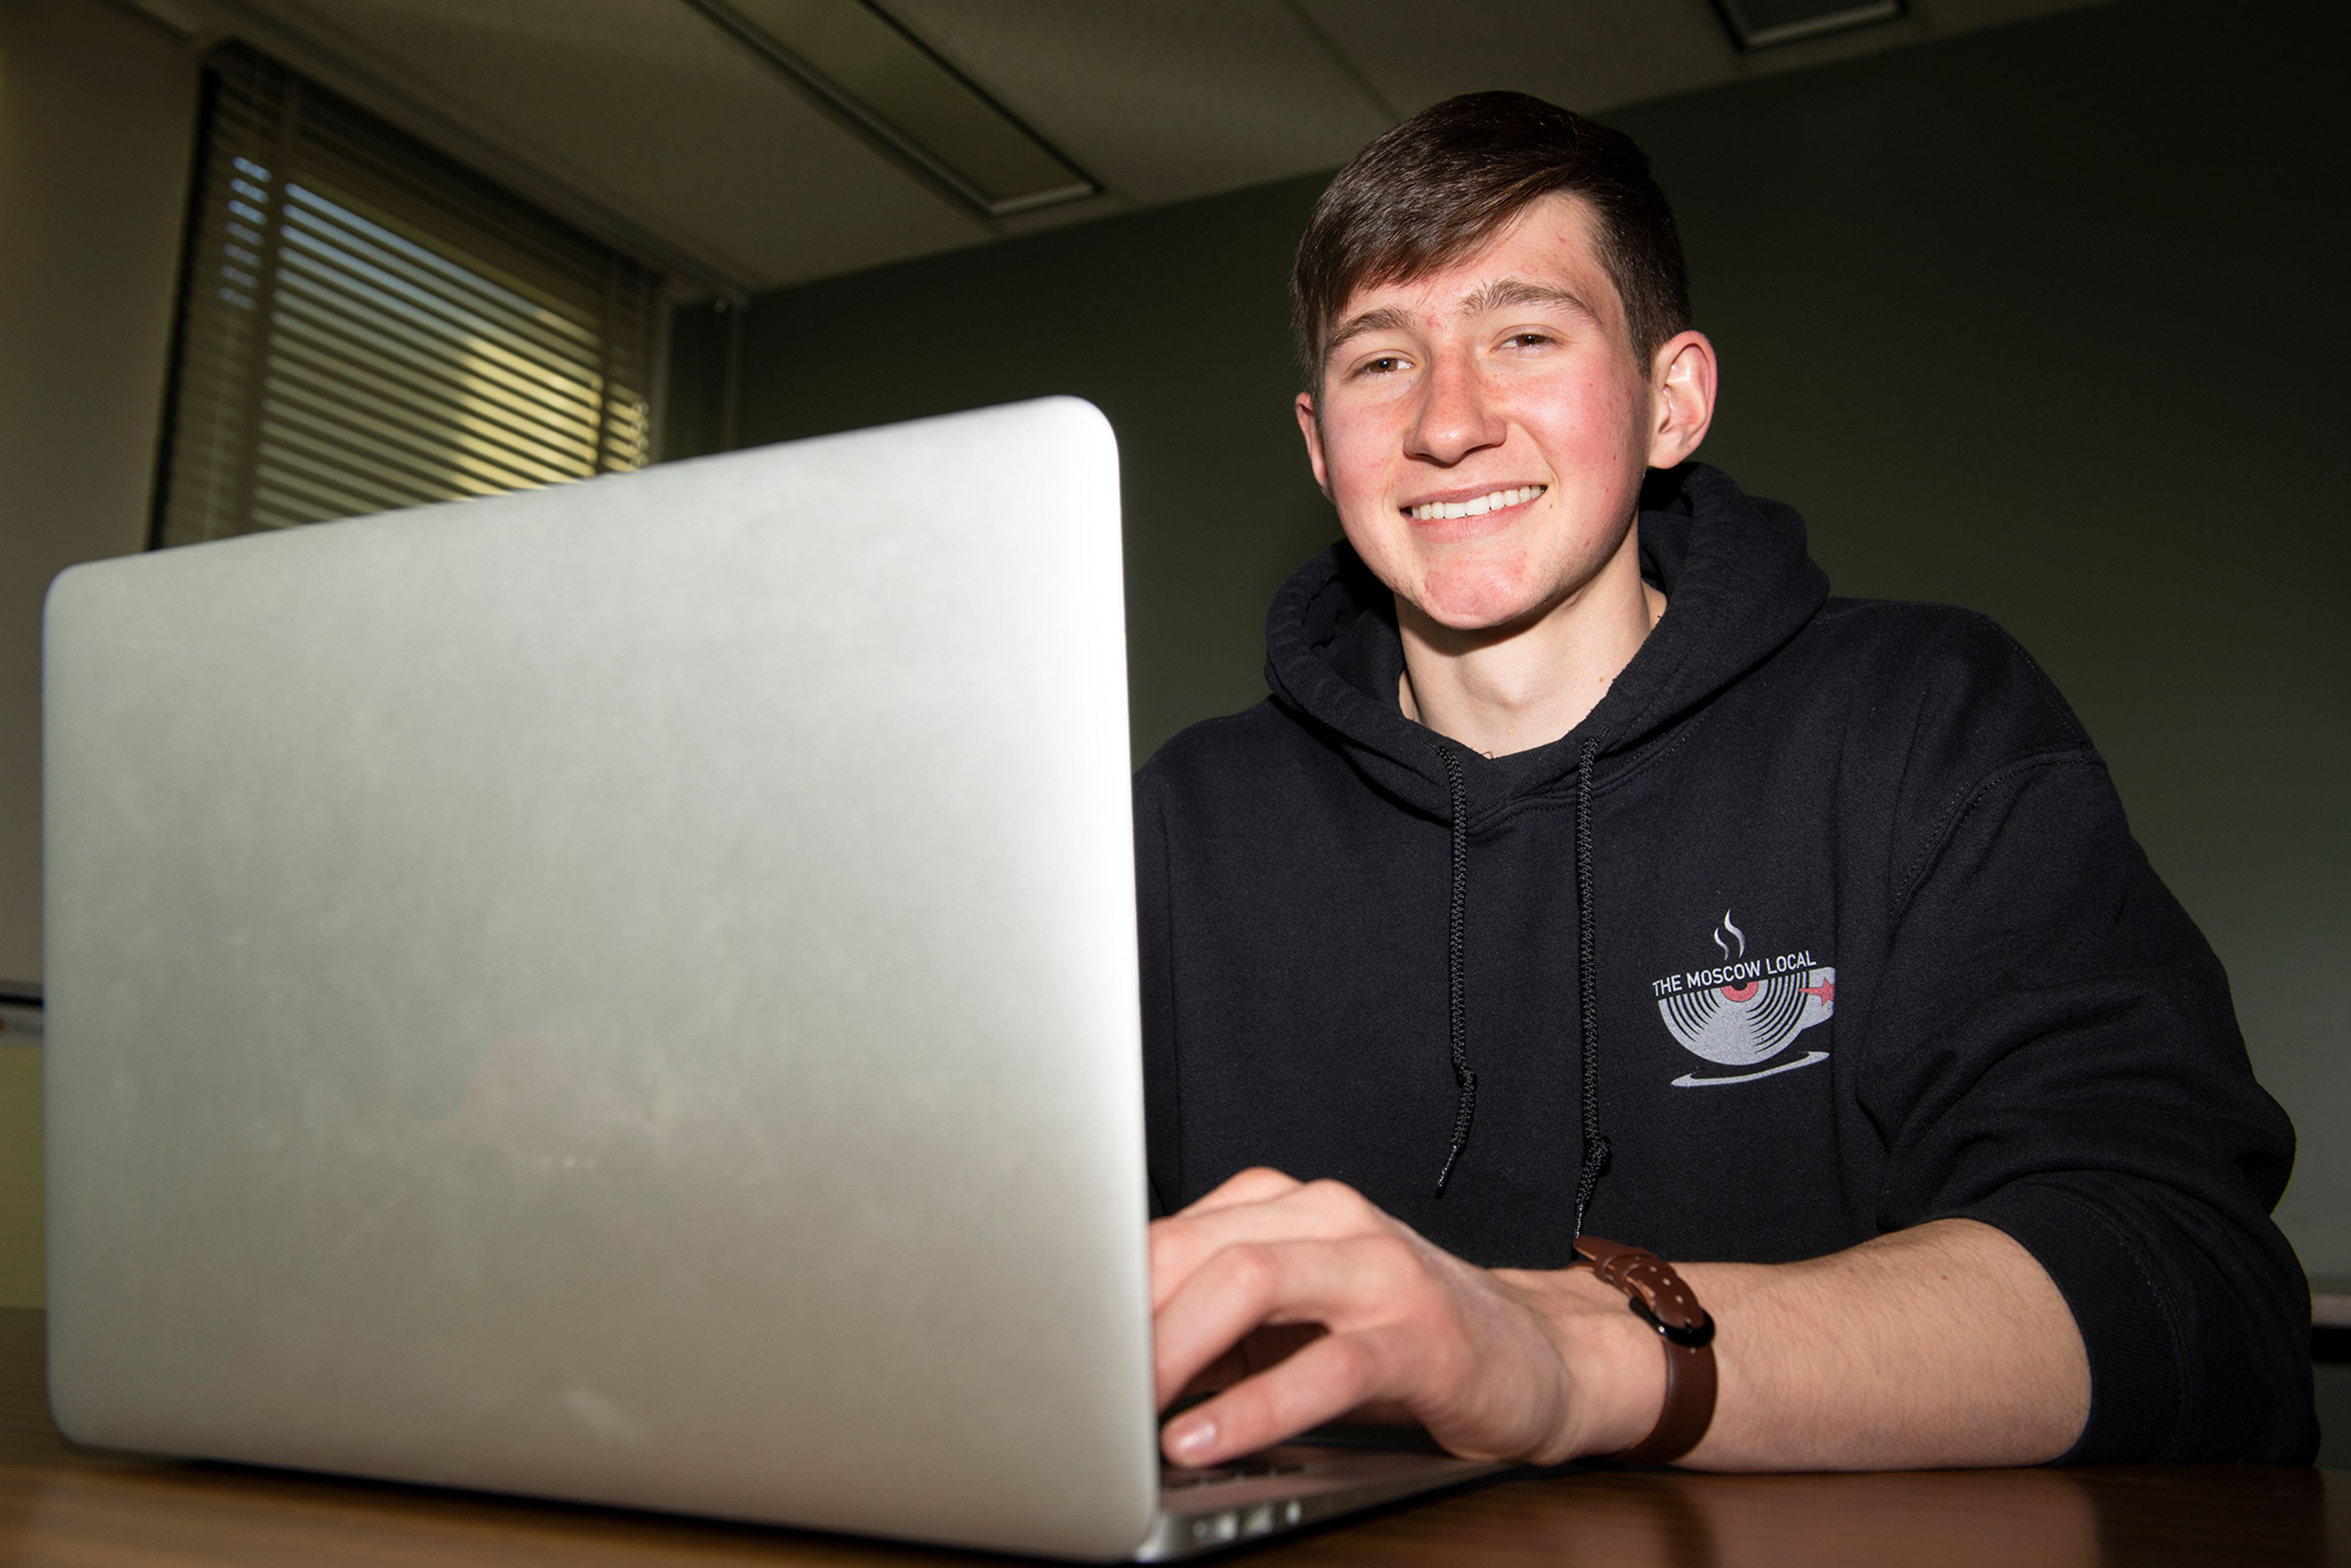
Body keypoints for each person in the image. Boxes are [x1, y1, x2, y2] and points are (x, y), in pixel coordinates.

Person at [1133, 91, 2314, 1471]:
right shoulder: (1174, 827)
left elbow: (2179, 1284)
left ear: (1670, 399)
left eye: (1524, 336)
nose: (1447, 423)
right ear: (1317, 440)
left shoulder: (1921, 722)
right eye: (1380, 362)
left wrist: (1564, 1356)